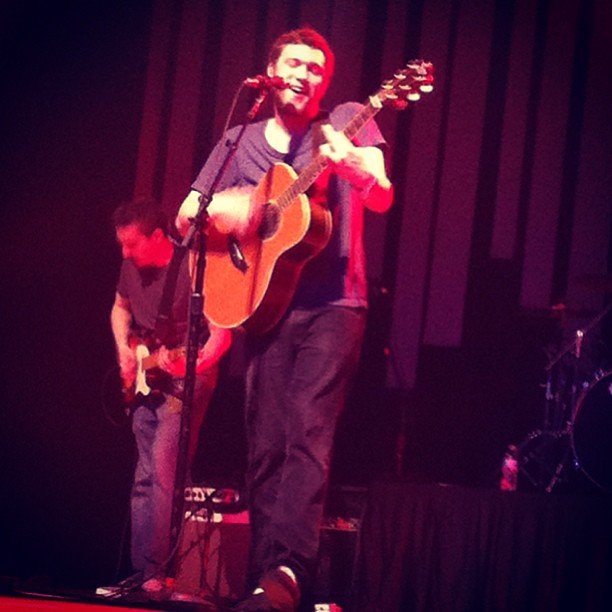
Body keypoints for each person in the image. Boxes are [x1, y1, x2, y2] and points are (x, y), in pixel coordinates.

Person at [177, 26, 393, 612]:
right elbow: (187, 214)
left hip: (334, 305)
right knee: (266, 444)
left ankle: (289, 573)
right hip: (263, 305)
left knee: (306, 435)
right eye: (295, 64)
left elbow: (381, 192)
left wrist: (353, 166)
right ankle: (262, 579)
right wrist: (241, 208)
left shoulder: (345, 120)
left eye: (316, 69)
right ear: (273, 71)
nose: (305, 75)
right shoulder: (239, 140)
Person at [101, 198, 232, 599]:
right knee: (144, 476)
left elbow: (222, 334)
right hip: (147, 376)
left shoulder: (193, 267)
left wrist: (193, 364)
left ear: (158, 236)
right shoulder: (130, 267)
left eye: (132, 244)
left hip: (188, 375)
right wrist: (124, 351)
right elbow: (119, 309)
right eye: (122, 245)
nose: (125, 253)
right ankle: (143, 574)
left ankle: (161, 574)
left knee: (163, 468)